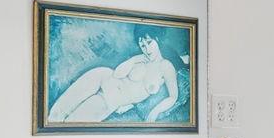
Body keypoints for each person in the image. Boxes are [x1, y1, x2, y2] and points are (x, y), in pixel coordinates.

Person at [48, 31, 180, 123]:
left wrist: (155, 112)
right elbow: (117, 74)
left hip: (110, 100)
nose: (146, 49)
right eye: (143, 45)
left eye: (149, 43)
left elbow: (173, 97)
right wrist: (134, 59)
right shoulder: (140, 59)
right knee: (58, 112)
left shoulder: (166, 66)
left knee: (73, 122)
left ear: (157, 39)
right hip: (101, 76)